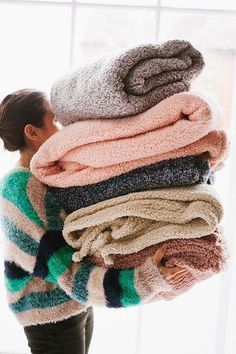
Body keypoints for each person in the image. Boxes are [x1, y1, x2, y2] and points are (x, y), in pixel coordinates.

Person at [0, 89, 190, 354]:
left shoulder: (47, 176)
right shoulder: (20, 188)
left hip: (71, 304)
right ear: (32, 133)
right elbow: (67, 271)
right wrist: (146, 280)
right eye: (54, 120)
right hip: (50, 313)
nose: (64, 127)